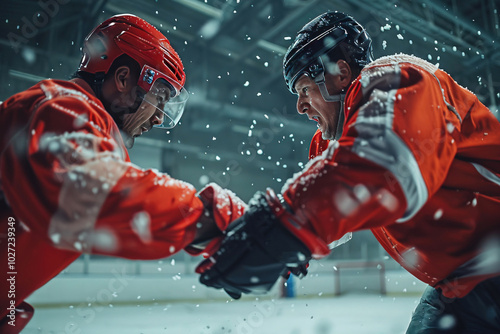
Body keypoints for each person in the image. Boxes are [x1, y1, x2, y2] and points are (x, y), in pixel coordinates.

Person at [196, 11, 500, 333]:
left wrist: (279, 230)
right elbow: (327, 211)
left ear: (340, 74)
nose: (300, 107)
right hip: (463, 284)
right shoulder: (334, 144)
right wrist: (251, 232)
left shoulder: (400, 78)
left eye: (304, 90)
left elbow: (384, 168)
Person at [0, 14, 246, 333]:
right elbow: (89, 196)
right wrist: (205, 218)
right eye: (160, 99)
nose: (159, 119)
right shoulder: (62, 107)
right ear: (123, 78)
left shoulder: (88, 126)